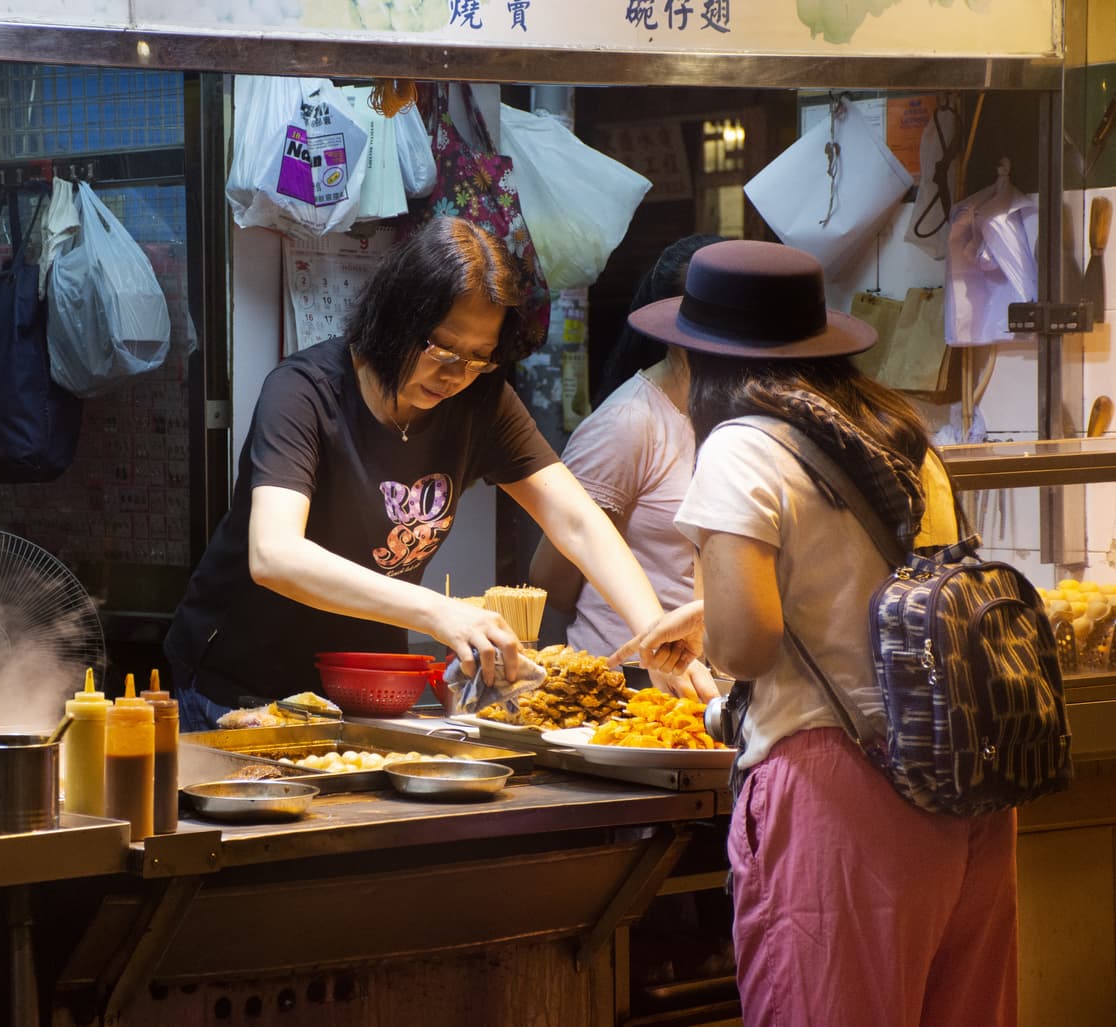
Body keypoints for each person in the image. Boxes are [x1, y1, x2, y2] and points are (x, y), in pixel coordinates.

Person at [612, 240, 1015, 1026]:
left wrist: (713, 609)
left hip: (841, 794)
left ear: (705, 360)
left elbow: (747, 647)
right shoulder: (901, 431)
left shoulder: (740, 446)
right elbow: (883, 592)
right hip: (963, 781)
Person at [164, 217, 703, 730]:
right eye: (442, 348)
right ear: (397, 318)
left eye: (479, 357)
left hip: (364, 688)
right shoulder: (304, 393)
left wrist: (655, 634)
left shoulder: (480, 400)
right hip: (241, 686)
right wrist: (440, 612)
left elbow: (578, 522)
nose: (456, 375)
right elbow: (274, 556)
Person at [529, 234, 721, 659]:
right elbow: (552, 577)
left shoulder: (741, 419)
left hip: (719, 682)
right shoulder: (629, 422)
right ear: (670, 327)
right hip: (630, 679)